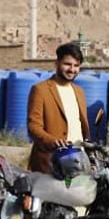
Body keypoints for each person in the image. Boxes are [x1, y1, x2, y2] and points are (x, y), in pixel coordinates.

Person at [26, 42, 90, 173]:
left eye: (76, 66)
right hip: (51, 163)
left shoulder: (80, 92)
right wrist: (53, 141)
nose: (72, 69)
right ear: (57, 63)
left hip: (78, 161)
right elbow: (33, 126)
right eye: (67, 64)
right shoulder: (40, 90)